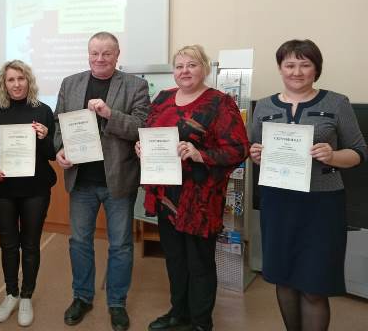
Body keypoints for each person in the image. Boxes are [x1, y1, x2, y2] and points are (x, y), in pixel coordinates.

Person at [249, 39, 367, 331]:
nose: (297, 72)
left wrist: (333, 155)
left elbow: (359, 152)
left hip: (321, 206)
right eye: (289, 65)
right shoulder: (264, 106)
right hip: (278, 203)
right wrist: (255, 154)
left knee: (314, 286)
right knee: (284, 280)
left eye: (305, 65)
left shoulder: (336, 102)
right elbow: (254, 148)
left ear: (316, 69)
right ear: (280, 68)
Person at [136, 45, 249, 331]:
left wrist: (201, 154)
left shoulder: (220, 103)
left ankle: (200, 322)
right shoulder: (163, 98)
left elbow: (239, 149)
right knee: (174, 260)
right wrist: (142, 147)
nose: (184, 71)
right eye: (179, 66)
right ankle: (179, 314)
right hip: (166, 194)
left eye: (192, 65)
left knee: (199, 263)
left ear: (204, 69)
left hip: (200, 198)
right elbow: (150, 132)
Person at [54, 31, 150, 331]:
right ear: (88, 54)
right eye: (94, 53)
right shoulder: (70, 83)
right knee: (79, 242)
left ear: (117, 55)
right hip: (81, 179)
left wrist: (110, 114)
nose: (99, 59)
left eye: (106, 53)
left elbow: (141, 127)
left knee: (120, 245)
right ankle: (82, 297)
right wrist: (60, 149)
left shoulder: (135, 85)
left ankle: (117, 302)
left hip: (118, 180)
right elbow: (58, 124)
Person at [0, 60, 56, 327]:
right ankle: (11, 293)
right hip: (2, 188)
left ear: (29, 81)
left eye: (21, 78)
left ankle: (26, 296)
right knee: (8, 244)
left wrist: (45, 137)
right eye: (11, 79)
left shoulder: (43, 110)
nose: (16, 84)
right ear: (4, 84)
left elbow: (51, 154)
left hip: (35, 188)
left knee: (31, 244)